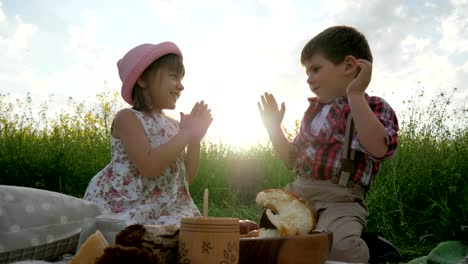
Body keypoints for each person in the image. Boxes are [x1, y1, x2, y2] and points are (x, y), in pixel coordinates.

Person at [257, 25, 399, 263]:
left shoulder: (372, 106)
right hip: (299, 193)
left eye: (315, 69)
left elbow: (378, 148)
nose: (309, 80)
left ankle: (374, 250)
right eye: (307, 73)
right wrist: (274, 129)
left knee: (340, 249)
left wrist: (355, 95)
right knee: (270, 240)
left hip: (340, 199)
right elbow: (291, 160)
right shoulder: (312, 113)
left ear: (348, 66)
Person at [84, 41, 213, 226]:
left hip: (167, 208)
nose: (181, 86)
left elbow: (186, 178)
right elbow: (149, 167)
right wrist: (185, 134)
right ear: (142, 79)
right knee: (151, 240)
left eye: (181, 79)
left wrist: (194, 140)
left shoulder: (175, 126)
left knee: (197, 235)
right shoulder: (128, 118)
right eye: (174, 77)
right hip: (129, 207)